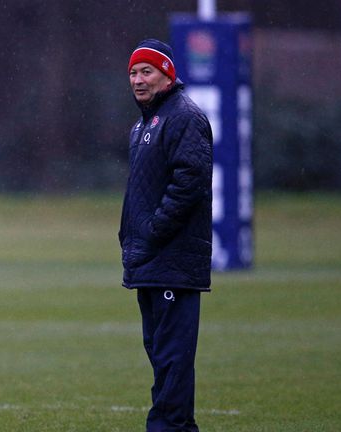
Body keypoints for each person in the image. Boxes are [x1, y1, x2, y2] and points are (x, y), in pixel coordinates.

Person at [118, 39, 213, 432]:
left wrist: (155, 230)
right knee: (160, 353)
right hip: (149, 259)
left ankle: (168, 427)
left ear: (167, 74)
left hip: (172, 258)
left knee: (172, 356)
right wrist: (130, 238)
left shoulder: (183, 117)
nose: (138, 80)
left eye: (147, 72)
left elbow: (190, 180)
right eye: (133, 73)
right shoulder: (143, 123)